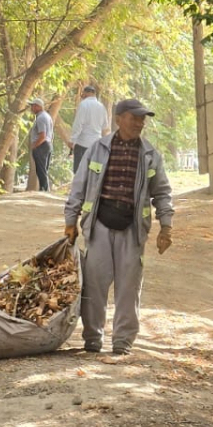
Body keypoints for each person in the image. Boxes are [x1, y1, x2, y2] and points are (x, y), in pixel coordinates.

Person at [63, 99, 174, 355]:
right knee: (94, 285)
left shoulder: (150, 156)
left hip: (132, 230)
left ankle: (122, 341)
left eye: (142, 119)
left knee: (128, 287)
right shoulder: (97, 150)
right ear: (118, 119)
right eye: (134, 117)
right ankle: (92, 337)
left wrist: (166, 227)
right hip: (99, 226)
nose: (139, 123)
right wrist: (70, 221)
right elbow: (78, 187)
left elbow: (163, 194)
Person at [70, 84, 110, 173]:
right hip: (96, 144)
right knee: (92, 172)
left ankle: (80, 187)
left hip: (83, 143)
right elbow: (105, 126)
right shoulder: (101, 107)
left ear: (86, 93)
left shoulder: (84, 104)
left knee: (79, 171)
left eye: (82, 93)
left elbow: (78, 124)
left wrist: (72, 140)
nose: (82, 95)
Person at [28, 97, 53, 191]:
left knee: (41, 169)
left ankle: (44, 189)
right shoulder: (47, 116)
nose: (31, 108)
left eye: (33, 106)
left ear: (38, 106)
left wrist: (35, 145)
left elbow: (42, 135)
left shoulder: (41, 118)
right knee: (43, 169)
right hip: (47, 144)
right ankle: (44, 188)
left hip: (41, 145)